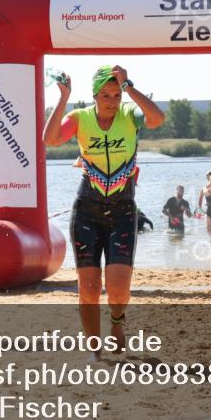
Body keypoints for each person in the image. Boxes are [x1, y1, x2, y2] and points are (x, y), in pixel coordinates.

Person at [43, 64, 165, 359]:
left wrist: (130, 86)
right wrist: (63, 98)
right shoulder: (80, 118)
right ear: (95, 96)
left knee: (118, 287)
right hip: (87, 209)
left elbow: (157, 118)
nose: (112, 101)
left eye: (116, 94)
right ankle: (94, 348)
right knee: (89, 287)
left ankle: (117, 321)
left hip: (123, 209)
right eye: (106, 95)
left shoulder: (128, 115)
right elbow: (51, 139)